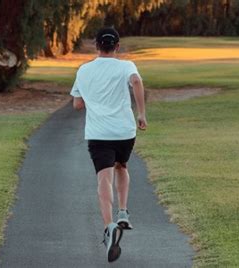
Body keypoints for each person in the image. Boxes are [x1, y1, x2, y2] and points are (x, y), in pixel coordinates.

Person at [70, 27, 147, 262]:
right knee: (122, 166)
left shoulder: (84, 70)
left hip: (98, 133)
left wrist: (93, 98)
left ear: (96, 46)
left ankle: (108, 226)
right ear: (117, 46)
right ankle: (123, 212)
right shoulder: (126, 66)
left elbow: (77, 105)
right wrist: (141, 113)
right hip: (124, 131)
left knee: (104, 177)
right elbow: (135, 81)